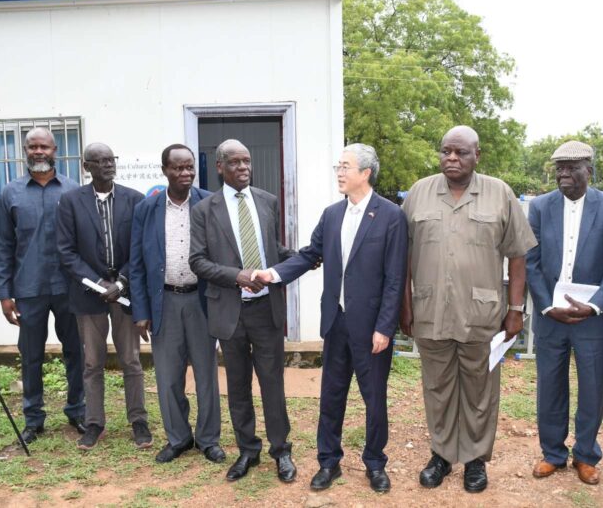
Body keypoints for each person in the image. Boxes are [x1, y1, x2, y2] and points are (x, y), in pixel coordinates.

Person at [252, 143, 408, 493]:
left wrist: (385, 327)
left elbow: (395, 278)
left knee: (374, 400)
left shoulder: (391, 216)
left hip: (371, 328)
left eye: (345, 166)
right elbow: (309, 255)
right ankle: (328, 462)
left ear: (365, 173)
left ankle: (375, 463)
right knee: (331, 396)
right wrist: (272, 274)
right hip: (336, 322)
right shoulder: (332, 214)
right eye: (338, 166)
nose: (339, 172)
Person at [399, 125, 536, 493]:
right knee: (437, 387)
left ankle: (475, 459)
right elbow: (402, 256)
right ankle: (442, 455)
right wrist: (404, 305)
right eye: (446, 151)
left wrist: (516, 309)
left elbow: (518, 255)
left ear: (477, 155)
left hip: (482, 313)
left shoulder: (499, 193)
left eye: (460, 152)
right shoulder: (419, 193)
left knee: (480, 389)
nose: (452, 158)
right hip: (430, 311)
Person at [188, 139, 296, 483]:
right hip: (229, 311)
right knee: (237, 386)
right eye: (235, 162)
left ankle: (281, 451)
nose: (243, 167)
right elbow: (197, 261)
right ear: (220, 167)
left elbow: (273, 249)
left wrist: (302, 258)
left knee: (272, 384)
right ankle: (248, 450)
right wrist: (236, 276)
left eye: (246, 161)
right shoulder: (204, 210)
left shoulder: (267, 201)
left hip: (265, 309)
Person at [525, 141, 603, 485]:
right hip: (551, 316)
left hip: (591, 319)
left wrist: (595, 305)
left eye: (572, 168)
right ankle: (553, 453)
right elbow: (532, 262)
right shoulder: (540, 206)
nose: (564, 174)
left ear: (590, 170)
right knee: (550, 386)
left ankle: (585, 455)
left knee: (592, 389)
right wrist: (546, 305)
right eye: (560, 168)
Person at [0, 127, 85, 444]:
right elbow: (3, 246)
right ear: (25, 151)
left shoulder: (72, 190)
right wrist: (4, 293)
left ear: (55, 150)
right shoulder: (11, 193)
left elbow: (84, 242)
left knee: (75, 351)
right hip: (28, 289)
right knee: (31, 355)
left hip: (69, 288)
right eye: (33, 147)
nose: (39, 151)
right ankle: (33, 419)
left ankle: (77, 410)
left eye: (44, 146)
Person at [129, 144, 223, 464]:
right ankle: (179, 438)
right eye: (178, 168)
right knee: (168, 376)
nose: (185, 173)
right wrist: (141, 312)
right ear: (165, 170)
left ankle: (208, 439)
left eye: (189, 167)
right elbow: (136, 264)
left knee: (206, 375)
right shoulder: (147, 208)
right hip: (164, 302)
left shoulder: (210, 203)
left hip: (201, 300)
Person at [56, 142, 152, 451]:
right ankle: (94, 423)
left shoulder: (134, 199)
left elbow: (140, 248)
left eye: (110, 159)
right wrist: (98, 283)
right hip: (88, 295)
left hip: (125, 294)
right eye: (99, 161)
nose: (107, 165)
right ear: (87, 167)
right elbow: (66, 251)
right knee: (92, 363)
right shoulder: (70, 202)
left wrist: (121, 282)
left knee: (131, 360)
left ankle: (138, 421)